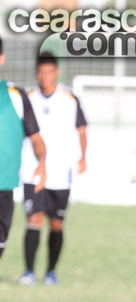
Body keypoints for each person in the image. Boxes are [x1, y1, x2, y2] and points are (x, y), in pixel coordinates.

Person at [17, 52, 87, 286]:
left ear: (56, 72)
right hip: (33, 170)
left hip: (60, 173)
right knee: (33, 219)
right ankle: (28, 272)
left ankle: (51, 272)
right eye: (40, 72)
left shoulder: (69, 98)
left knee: (56, 224)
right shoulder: (27, 97)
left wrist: (83, 157)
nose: (44, 77)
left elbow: (82, 129)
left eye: (48, 72)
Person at [0, 37, 46, 265]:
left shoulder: (16, 95)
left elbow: (37, 138)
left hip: (4, 185)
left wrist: (42, 164)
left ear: (1, 59)